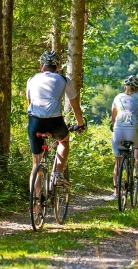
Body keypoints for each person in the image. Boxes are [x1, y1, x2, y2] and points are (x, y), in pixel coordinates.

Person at [26, 50, 85, 188]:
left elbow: (30, 104)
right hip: (55, 121)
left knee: (36, 164)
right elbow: (76, 107)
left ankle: (35, 206)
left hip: (35, 122)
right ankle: (58, 174)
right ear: (57, 67)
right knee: (63, 141)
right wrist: (80, 124)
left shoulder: (32, 79)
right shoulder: (64, 80)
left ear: (41, 66)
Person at [111, 75, 138, 199]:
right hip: (133, 130)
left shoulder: (117, 97)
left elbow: (113, 119)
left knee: (118, 162)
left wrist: (115, 127)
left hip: (118, 131)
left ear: (125, 87)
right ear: (137, 88)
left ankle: (116, 193)